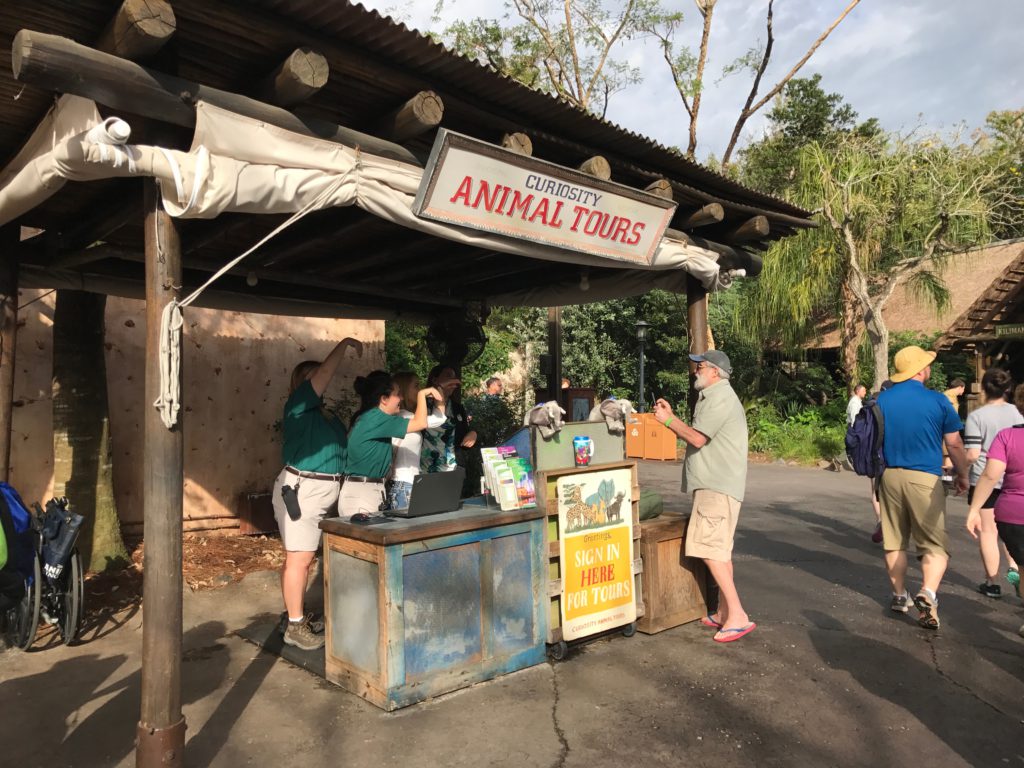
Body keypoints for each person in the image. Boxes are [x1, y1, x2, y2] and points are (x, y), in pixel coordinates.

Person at [653, 349, 754, 643]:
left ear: (714, 372)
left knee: (710, 550)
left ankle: (737, 615)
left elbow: (697, 438)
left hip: (716, 487)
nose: (695, 369)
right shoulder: (715, 396)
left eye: (700, 366)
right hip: (716, 485)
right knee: (719, 552)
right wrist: (672, 417)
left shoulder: (720, 397)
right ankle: (724, 612)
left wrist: (667, 421)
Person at [272, 337, 362, 651]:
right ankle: (295, 627)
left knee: (303, 558)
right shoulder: (298, 405)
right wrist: (344, 344)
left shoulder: (323, 414)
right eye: (314, 376)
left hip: (321, 489)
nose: (322, 379)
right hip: (304, 489)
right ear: (302, 383)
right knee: (299, 559)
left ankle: (293, 616)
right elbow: (324, 374)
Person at [876, 345, 969, 630]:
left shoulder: (882, 399)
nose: (929, 368)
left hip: (889, 476)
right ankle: (928, 593)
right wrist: (963, 474)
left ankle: (899, 595)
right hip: (925, 478)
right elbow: (954, 443)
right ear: (920, 370)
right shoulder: (937, 400)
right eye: (927, 364)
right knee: (933, 544)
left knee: (894, 540)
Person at [967, 383, 1024, 639]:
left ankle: (995, 581)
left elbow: (991, 475)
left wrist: (974, 509)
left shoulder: (1007, 437)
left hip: (1014, 513)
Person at [342, 371, 441, 518]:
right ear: (384, 399)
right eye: (397, 394)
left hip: (365, 491)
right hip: (362, 494)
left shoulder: (371, 417)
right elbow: (420, 422)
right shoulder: (376, 419)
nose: (401, 398)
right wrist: (422, 395)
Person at [388, 372, 447, 510]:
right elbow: (439, 418)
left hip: (405, 484)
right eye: (416, 386)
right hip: (404, 484)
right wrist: (427, 394)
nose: (419, 389)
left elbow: (439, 417)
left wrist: (438, 390)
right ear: (404, 390)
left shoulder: (406, 417)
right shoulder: (404, 417)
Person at [421, 364, 477, 474]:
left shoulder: (457, 408)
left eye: (454, 378)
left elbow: (464, 436)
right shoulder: (422, 404)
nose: (453, 382)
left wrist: (473, 433)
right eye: (448, 377)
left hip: (452, 469)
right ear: (434, 380)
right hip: (423, 469)